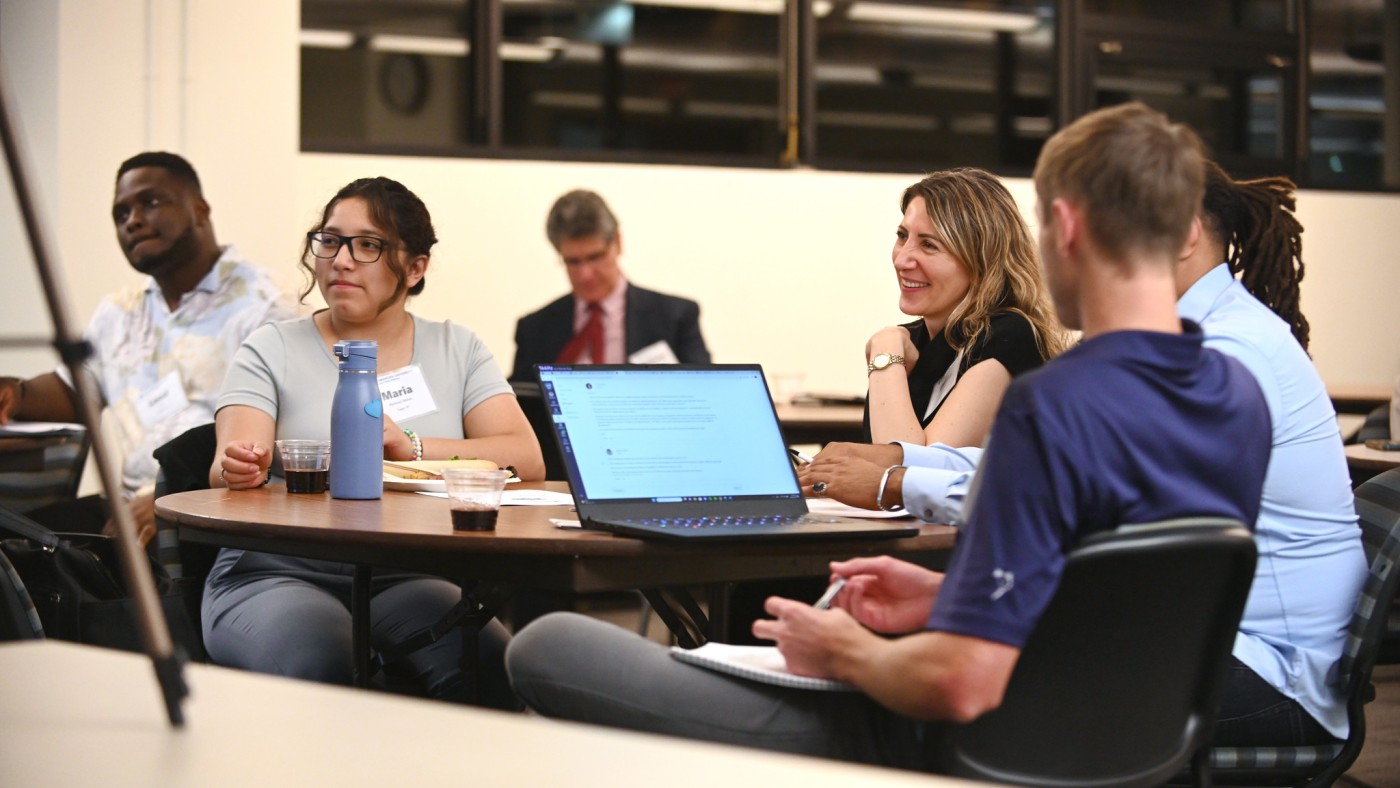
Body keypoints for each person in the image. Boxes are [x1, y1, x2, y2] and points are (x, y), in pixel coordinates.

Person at [503, 102, 1272, 768]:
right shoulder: (1237, 395)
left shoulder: (1054, 406)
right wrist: (943, 592)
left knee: (548, 647)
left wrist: (838, 650)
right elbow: (1108, 591)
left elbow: (962, 680)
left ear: (1065, 225)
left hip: (958, 739)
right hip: (1133, 736)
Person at [800, 161, 1367, 748]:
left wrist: (897, 482)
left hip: (1261, 669)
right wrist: (902, 470)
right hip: (1186, 632)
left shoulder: (1224, 353)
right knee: (909, 670)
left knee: (924, 701)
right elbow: (1048, 471)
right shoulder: (1176, 340)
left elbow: (1071, 494)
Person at [205, 176, 543, 706]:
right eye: (330, 240)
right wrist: (241, 467)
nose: (340, 260)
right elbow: (226, 465)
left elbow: (525, 458)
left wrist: (412, 445)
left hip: (407, 573)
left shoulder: (457, 347)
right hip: (278, 569)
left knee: (490, 672)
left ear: (415, 267)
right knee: (323, 663)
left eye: (368, 246)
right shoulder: (271, 347)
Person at [0, 151, 293, 544]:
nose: (133, 220)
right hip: (127, 503)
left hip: (216, 505)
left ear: (200, 210)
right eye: (120, 215)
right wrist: (16, 394)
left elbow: (282, 433)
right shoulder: (120, 311)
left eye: (150, 203)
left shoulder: (268, 305)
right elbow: (74, 392)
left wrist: (172, 498)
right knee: (16, 542)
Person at [862, 168, 1067, 448]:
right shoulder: (914, 340)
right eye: (902, 236)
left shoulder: (1010, 335)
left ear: (981, 261)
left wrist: (886, 352)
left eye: (928, 245)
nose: (902, 259)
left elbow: (902, 469)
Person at [509, 189, 710, 381]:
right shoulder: (535, 329)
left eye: (595, 257)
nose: (585, 275)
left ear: (618, 243)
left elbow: (705, 394)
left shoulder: (675, 318)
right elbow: (520, 402)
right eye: (573, 261)